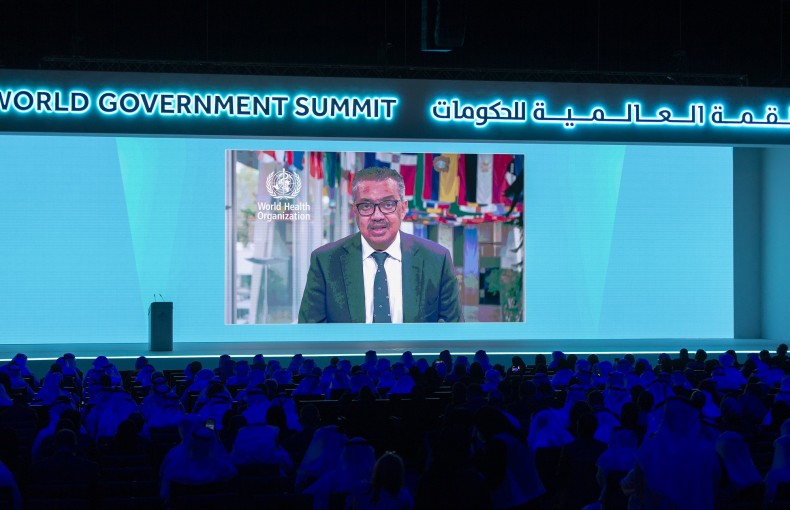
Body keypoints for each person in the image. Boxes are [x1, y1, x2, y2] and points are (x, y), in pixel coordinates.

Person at [298, 166, 461, 323]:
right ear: (355, 211)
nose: (377, 216)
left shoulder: (437, 260)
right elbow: (310, 331)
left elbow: (454, 329)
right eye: (366, 206)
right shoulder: (325, 261)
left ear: (403, 208)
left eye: (388, 204)